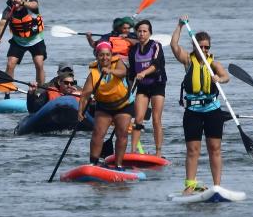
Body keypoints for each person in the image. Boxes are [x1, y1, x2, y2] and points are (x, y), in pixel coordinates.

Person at [170, 20, 230, 195]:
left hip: (212, 110)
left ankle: (217, 186)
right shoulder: (188, 60)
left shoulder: (213, 64)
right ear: (195, 47)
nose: (204, 50)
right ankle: (190, 185)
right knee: (192, 150)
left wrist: (220, 79)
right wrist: (180, 26)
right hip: (193, 112)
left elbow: (226, 77)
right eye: (201, 47)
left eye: (206, 47)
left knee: (215, 148)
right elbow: (174, 45)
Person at [77, 41, 132, 168]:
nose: (105, 58)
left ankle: (118, 164)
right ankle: (93, 162)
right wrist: (80, 111)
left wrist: (111, 71)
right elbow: (85, 95)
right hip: (104, 107)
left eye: (107, 55)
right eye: (101, 55)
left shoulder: (117, 63)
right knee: (98, 133)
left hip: (123, 105)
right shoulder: (93, 73)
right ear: (97, 56)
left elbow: (123, 72)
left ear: (111, 55)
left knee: (122, 134)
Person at [128, 19, 167, 157]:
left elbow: (156, 64)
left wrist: (144, 73)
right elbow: (132, 73)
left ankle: (158, 152)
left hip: (157, 84)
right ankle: (132, 151)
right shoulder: (133, 50)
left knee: (156, 119)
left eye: (145, 31)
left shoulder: (156, 46)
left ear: (150, 33)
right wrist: (127, 91)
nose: (142, 34)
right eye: (139, 31)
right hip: (142, 87)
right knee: (138, 119)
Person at [0, 0, 46, 87]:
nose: (16, 5)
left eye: (17, 2)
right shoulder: (9, 9)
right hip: (18, 41)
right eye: (14, 2)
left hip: (36, 40)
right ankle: (7, 91)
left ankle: (41, 89)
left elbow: (34, 6)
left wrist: (22, 3)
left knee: (39, 64)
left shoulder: (31, 2)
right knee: (10, 64)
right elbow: (2, 24)